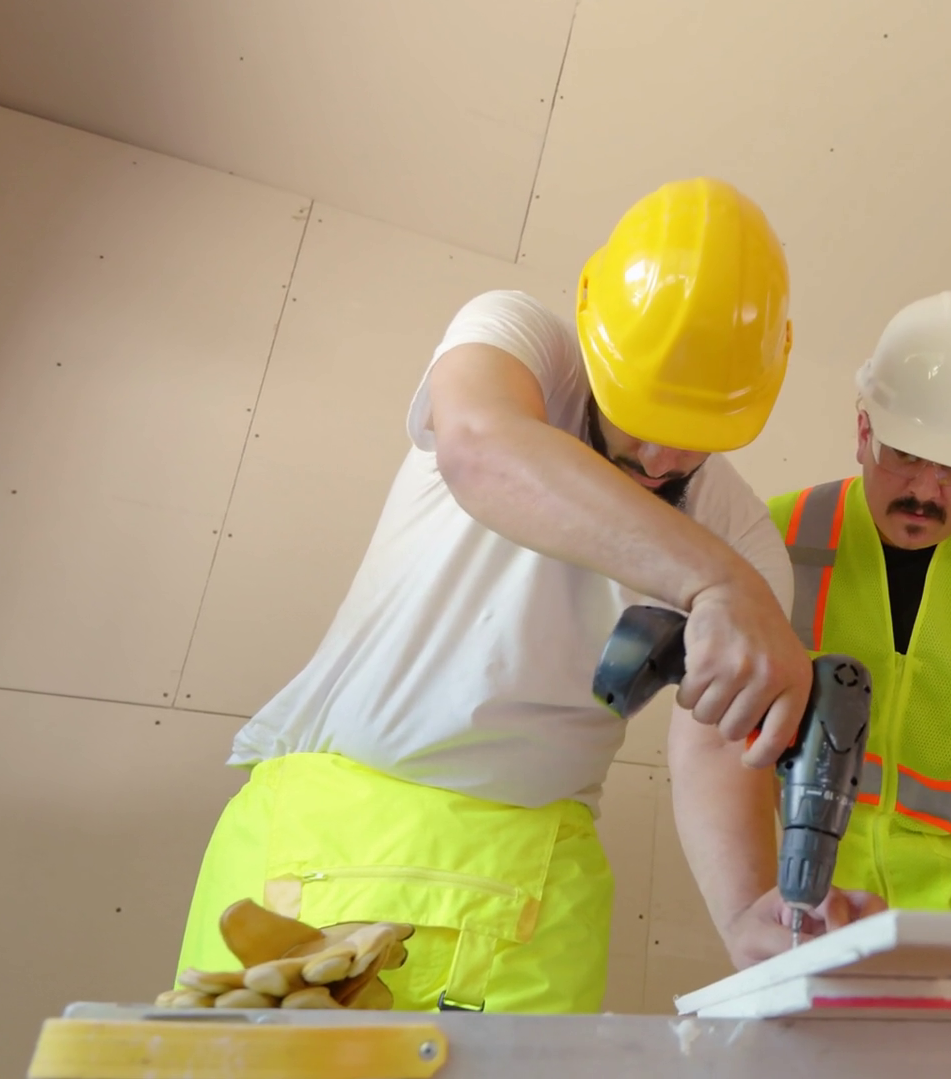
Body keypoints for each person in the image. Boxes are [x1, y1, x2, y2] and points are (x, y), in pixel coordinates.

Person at [174, 177, 870, 1014]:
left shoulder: (743, 535)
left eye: (695, 436)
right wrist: (715, 581)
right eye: (640, 415)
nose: (659, 459)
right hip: (326, 845)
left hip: (534, 893)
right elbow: (480, 447)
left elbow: (716, 738)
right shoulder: (519, 339)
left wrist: (742, 911)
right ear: (593, 329)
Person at [682, 291, 951, 983]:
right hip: (835, 926)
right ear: (863, 431)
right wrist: (745, 915)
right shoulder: (781, 538)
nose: (926, 491)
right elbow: (716, 737)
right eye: (906, 456)